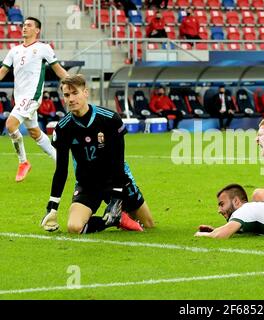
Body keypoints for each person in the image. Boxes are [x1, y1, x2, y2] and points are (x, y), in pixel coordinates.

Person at [40, 74, 155, 234]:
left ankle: (118, 213)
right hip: (87, 185)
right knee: (74, 227)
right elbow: (61, 170)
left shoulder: (110, 119)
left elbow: (118, 161)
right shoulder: (63, 128)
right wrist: (52, 207)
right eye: (67, 95)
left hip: (116, 179)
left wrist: (116, 199)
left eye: (75, 93)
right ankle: (114, 220)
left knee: (148, 225)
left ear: (85, 93)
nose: (71, 99)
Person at [0, 17, 69, 182]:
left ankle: (23, 162)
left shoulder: (43, 48)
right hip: (20, 98)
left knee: (10, 125)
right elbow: (2, 71)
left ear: (37, 30)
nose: (24, 27)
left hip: (33, 97)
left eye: (29, 25)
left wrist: (74, 84)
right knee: (35, 133)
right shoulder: (14, 51)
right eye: (23, 25)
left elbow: (59, 70)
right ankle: (61, 161)